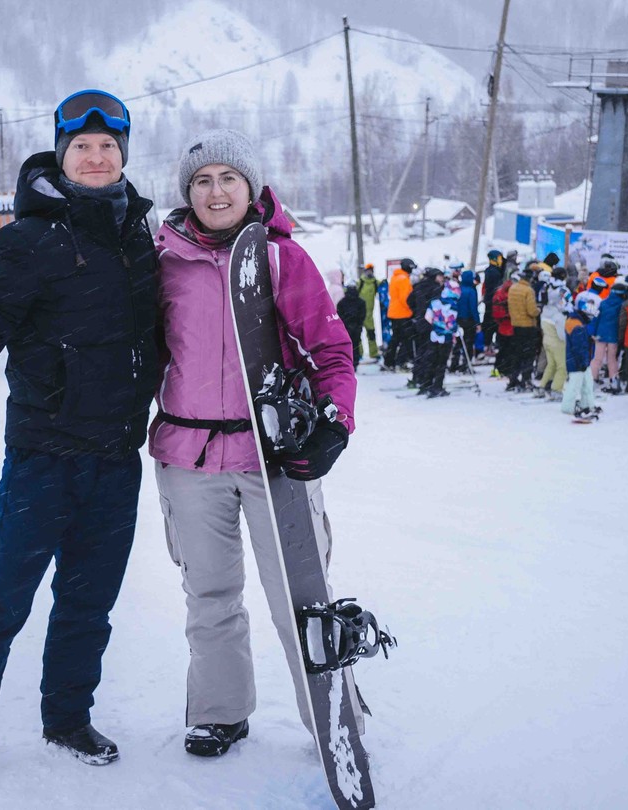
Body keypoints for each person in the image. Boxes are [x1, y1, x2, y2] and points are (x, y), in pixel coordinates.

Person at [0, 88, 157, 793]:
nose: (95, 157)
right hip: (43, 457)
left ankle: (66, 717)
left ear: (122, 157)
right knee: (1, 602)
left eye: (107, 147)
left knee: (89, 604)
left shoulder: (139, 237)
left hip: (117, 457)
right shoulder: (25, 239)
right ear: (61, 155)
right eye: (82, 147)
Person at [150, 129, 356, 759]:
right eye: (203, 181)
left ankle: (328, 716)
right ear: (188, 194)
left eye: (228, 179)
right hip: (189, 457)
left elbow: (330, 350)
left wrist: (334, 424)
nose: (216, 191)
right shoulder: (161, 260)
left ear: (251, 186)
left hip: (275, 456)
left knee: (300, 593)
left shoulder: (280, 258)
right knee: (209, 594)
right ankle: (219, 712)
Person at [535, 270, 571, 400]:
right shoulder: (563, 292)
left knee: (551, 364)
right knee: (562, 366)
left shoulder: (546, 288)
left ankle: (542, 387)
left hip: (546, 335)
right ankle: (556, 389)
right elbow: (561, 333)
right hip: (557, 337)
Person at [407, 267, 445, 392]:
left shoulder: (418, 286)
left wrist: (417, 312)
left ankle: (416, 376)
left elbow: (409, 300)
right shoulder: (435, 288)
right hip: (431, 322)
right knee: (430, 352)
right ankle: (426, 379)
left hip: (419, 321)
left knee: (420, 350)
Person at [563, 293, 600, 419]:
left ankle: (588, 404)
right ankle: (568, 407)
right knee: (574, 386)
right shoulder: (577, 325)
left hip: (581, 360)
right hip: (578, 362)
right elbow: (579, 347)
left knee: (587, 384)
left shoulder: (575, 321)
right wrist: (583, 362)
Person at [423, 280, 460, 397]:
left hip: (434, 336)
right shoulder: (453, 305)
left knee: (432, 360)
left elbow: (428, 317)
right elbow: (451, 324)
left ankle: (427, 383)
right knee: (442, 363)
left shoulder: (435, 302)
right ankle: (437, 386)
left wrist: (436, 325)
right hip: (446, 337)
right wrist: (455, 330)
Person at [507, 267, 540, 391]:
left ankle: (513, 378)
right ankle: (526, 379)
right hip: (527, 326)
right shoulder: (528, 290)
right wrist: (538, 310)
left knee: (516, 353)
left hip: (515, 324)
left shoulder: (513, 288)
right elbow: (531, 311)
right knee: (528, 355)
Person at [590, 280, 626, 393]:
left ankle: (592, 380)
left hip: (600, 333)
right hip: (614, 335)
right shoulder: (622, 305)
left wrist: (592, 332)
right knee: (612, 359)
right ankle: (614, 381)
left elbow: (596, 318)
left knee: (597, 358)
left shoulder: (603, 303)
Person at [382, 258, 416, 370]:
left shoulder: (395, 277)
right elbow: (405, 298)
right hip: (403, 313)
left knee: (395, 339)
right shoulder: (404, 280)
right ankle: (401, 361)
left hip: (394, 312)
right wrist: (413, 309)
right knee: (406, 339)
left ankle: (389, 361)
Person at [449, 269, 480, 373]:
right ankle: (466, 364)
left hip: (458, 320)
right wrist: (477, 322)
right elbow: (473, 308)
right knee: (469, 343)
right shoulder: (471, 291)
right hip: (469, 320)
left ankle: (454, 364)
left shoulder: (458, 289)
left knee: (458, 343)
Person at [337, 284, 367, 368]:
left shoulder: (342, 302)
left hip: (346, 327)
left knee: (346, 346)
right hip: (356, 327)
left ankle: (347, 361)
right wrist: (358, 323)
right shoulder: (361, 302)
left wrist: (345, 323)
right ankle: (355, 362)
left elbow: (339, 314)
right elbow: (363, 315)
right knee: (356, 345)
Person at [480, 249, 505, 352]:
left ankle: (487, 345)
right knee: (492, 325)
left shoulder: (490, 270)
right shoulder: (494, 272)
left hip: (489, 302)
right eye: (499, 258)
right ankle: (487, 346)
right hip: (493, 303)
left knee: (489, 324)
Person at [355, 263, 381, 360]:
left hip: (369, 315)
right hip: (359, 314)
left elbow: (383, 288)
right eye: (368, 270)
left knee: (371, 334)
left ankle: (373, 353)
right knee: (358, 335)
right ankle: (359, 353)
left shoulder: (375, 283)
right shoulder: (360, 282)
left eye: (371, 270)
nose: (369, 272)